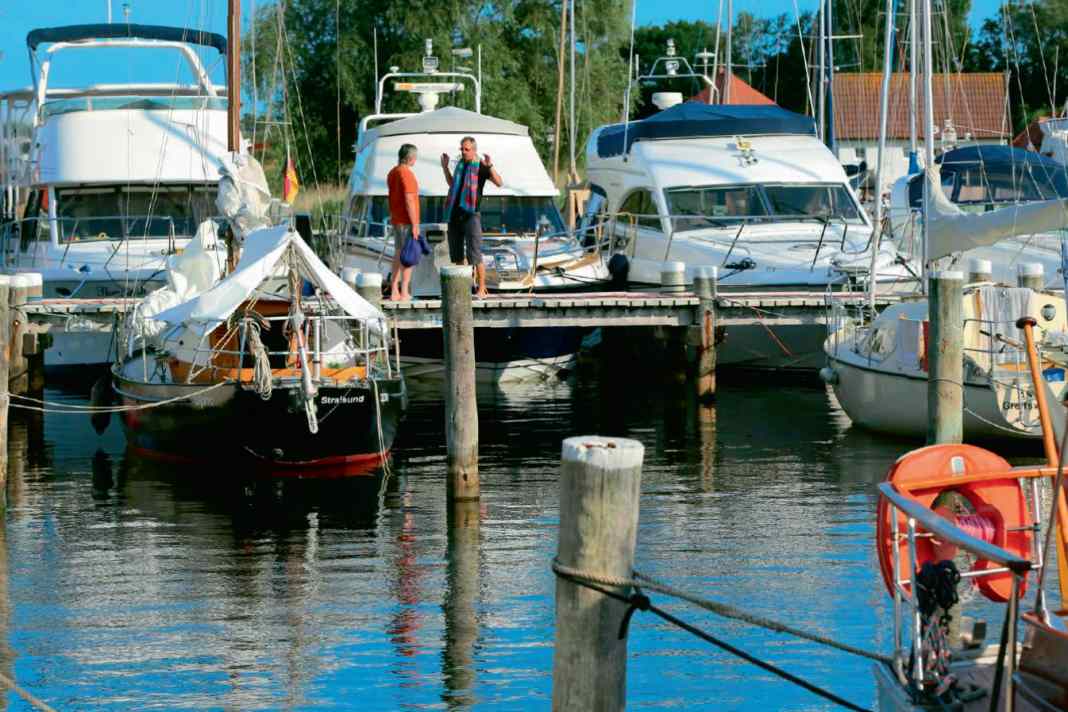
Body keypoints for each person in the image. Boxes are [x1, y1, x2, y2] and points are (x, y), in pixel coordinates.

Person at [440, 136, 503, 298]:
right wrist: (445, 167)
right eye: (461, 149)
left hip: (471, 214)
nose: (463, 152)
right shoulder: (460, 165)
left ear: (474, 150)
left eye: (466, 149)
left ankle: (481, 288)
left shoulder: (480, 166)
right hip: (454, 214)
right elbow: (452, 184)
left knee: (475, 255)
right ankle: (464, 289)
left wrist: (490, 166)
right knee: (457, 256)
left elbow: (499, 182)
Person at [387, 143, 420, 301]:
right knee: (408, 256)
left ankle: (394, 289)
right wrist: (415, 224)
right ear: (410, 158)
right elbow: (409, 199)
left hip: (397, 219)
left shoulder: (392, 172)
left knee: (398, 254)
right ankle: (404, 291)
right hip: (406, 221)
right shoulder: (406, 174)